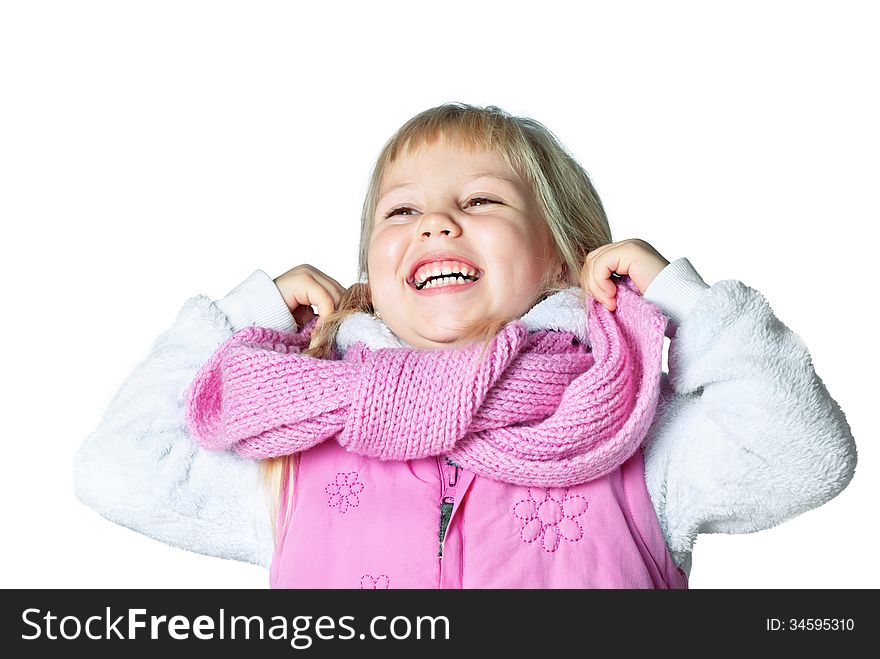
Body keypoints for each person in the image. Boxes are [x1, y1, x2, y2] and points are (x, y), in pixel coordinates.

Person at [75, 102, 857, 588]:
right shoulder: (295, 454)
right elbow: (119, 466)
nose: (435, 223)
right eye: (400, 211)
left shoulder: (630, 436)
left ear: (561, 255)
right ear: (372, 278)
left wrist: (680, 297)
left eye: (480, 199)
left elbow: (802, 454)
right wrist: (248, 310)